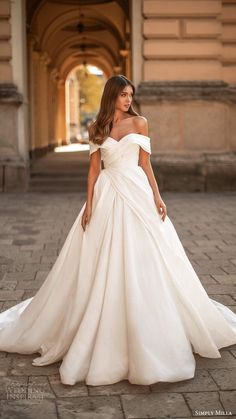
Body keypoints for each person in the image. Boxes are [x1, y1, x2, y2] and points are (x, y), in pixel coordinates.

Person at [0, 75, 236, 387]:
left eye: (130, 95)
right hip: (108, 193)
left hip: (137, 192)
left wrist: (157, 195)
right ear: (112, 95)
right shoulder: (96, 128)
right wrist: (89, 205)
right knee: (100, 259)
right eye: (123, 95)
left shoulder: (140, 123)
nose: (128, 100)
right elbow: (94, 170)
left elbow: (146, 164)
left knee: (150, 256)